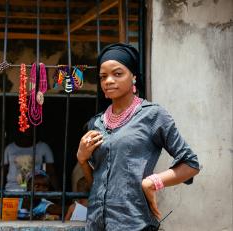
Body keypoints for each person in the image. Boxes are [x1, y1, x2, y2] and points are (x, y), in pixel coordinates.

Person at [76, 43, 200, 231]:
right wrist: (83, 159)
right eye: (103, 76)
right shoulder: (95, 124)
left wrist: (152, 182)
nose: (108, 80)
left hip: (134, 224)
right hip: (96, 224)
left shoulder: (153, 116)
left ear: (133, 77)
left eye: (117, 74)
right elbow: (97, 185)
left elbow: (191, 164)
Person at [2, 127, 58, 191]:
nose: (27, 129)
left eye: (30, 127)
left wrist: (57, 192)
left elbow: (51, 172)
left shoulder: (43, 147)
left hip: (35, 191)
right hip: (11, 190)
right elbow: (3, 171)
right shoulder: (10, 148)